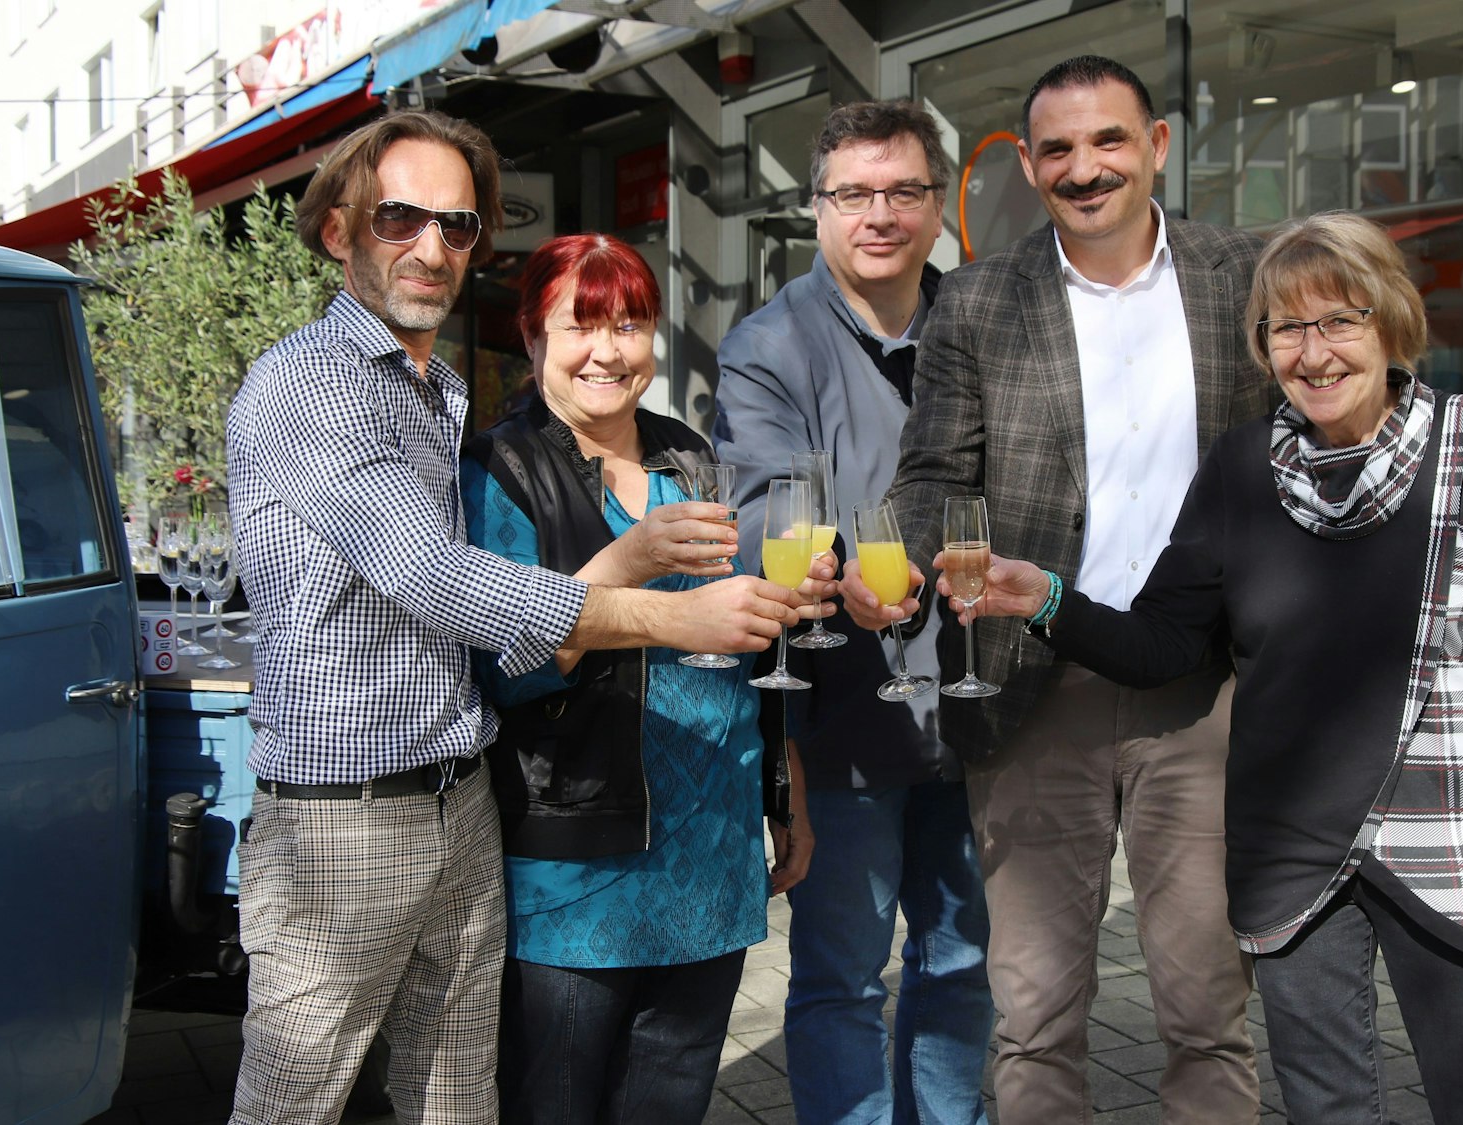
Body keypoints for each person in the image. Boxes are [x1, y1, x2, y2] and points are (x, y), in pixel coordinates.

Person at [937, 210, 1463, 1123]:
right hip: (1295, 844)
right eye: (1288, 327)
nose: (1313, 352)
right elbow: (1162, 644)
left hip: (1451, 833)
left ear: (1390, 322)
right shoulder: (1243, 466)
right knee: (1326, 1108)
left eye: (1340, 321)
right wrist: (1044, 596)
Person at [224, 110, 798, 1125]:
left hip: (459, 799)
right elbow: (432, 577)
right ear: (338, 230)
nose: (431, 246)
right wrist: (661, 611)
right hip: (345, 817)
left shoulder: (434, 390)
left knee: (456, 1101)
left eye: (456, 225)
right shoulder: (316, 381)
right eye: (399, 219)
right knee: (292, 1107)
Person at [844, 57, 1267, 1123]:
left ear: (1156, 145)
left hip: (1203, 692)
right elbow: (934, 476)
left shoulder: (1242, 277)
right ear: (1029, 167)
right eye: (1059, 150)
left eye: (1109, 140)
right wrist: (908, 562)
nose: (1086, 168)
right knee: (1033, 1021)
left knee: (1207, 1012)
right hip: (1033, 682)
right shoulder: (979, 300)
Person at [462, 232, 812, 1125]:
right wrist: (627, 560)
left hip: (710, 857)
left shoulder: (687, 455)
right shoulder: (500, 471)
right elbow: (505, 671)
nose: (608, 351)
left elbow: (746, 644)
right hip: (577, 874)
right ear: (532, 337)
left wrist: (784, 787)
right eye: (581, 325)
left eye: (630, 324)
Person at [713, 100, 993, 1125]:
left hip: (978, 703)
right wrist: (832, 568)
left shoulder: (981, 325)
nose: (880, 214)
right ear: (817, 207)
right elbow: (762, 510)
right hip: (839, 715)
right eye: (854, 194)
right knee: (841, 977)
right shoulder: (767, 346)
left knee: (962, 963)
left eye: (903, 191)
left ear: (936, 205)